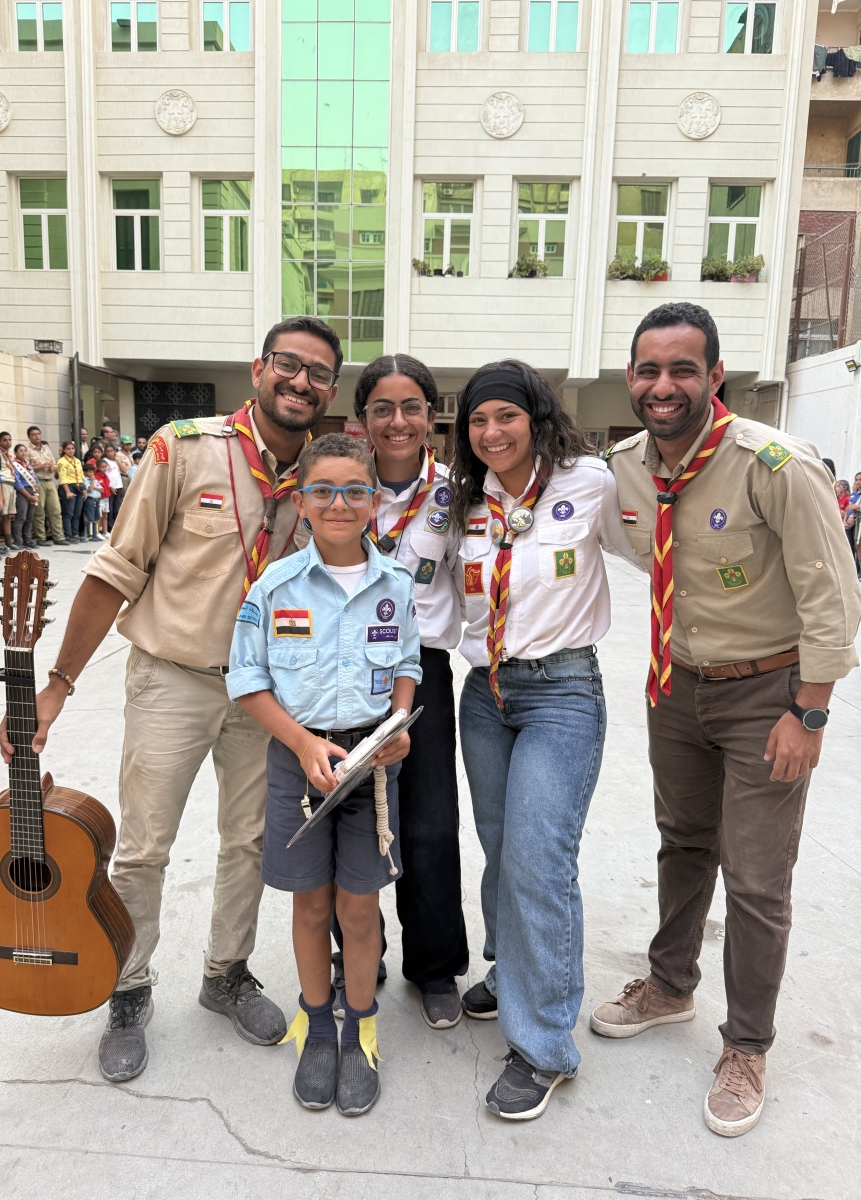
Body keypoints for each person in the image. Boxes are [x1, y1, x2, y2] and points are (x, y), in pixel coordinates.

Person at [0, 316, 342, 1084]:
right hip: (173, 679)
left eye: (318, 373)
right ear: (258, 369)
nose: (300, 382)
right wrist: (57, 684)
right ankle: (127, 988)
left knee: (249, 842)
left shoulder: (324, 477)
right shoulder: (183, 449)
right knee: (144, 848)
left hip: (265, 695)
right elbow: (116, 569)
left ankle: (226, 973)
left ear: (329, 390)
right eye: (288, 364)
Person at [592, 302, 861, 1138]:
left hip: (766, 693)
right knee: (683, 843)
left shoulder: (773, 463)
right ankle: (671, 985)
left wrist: (809, 711)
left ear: (714, 376)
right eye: (648, 370)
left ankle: (747, 1045)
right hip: (675, 685)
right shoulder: (624, 469)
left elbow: (832, 596)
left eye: (682, 369)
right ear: (630, 378)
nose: (663, 385)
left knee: (755, 876)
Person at [449, 360, 639, 1121]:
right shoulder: (467, 502)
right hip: (484, 693)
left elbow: (652, 547)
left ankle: (544, 1045)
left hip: (562, 692)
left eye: (506, 416)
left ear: (536, 418)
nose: (492, 432)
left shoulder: (588, 483)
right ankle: (512, 974)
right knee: (502, 850)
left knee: (539, 859)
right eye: (477, 420)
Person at [228, 433, 420, 1115]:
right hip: (297, 761)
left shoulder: (396, 584)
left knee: (359, 906)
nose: (340, 503)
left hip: (371, 766)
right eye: (323, 491)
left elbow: (407, 664)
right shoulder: (275, 585)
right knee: (310, 903)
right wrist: (303, 743)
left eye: (355, 490)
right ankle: (315, 1024)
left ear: (375, 500)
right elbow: (247, 678)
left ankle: (360, 1028)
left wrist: (397, 726)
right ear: (302, 502)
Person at [343, 353, 468, 1029]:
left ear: (430, 415)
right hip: (340, 672)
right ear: (362, 418)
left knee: (428, 822)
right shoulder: (339, 483)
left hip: (423, 673)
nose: (398, 421)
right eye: (382, 408)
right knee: (348, 815)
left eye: (411, 407)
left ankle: (435, 963)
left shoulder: (457, 491)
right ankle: (357, 952)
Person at [27, 425, 64, 545]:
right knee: (39, 511)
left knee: (55, 509)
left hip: (49, 480)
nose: (36, 436)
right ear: (29, 437)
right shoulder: (28, 450)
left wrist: (53, 468)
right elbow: (26, 468)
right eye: (33, 434)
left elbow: (54, 463)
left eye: (38, 434)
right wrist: (41, 466)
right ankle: (40, 537)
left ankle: (58, 536)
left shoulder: (46, 449)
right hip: (37, 482)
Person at [11, 443, 40, 549]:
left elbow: (35, 479)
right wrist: (29, 496)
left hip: (32, 491)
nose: (23, 453)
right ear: (15, 453)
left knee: (29, 517)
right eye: (20, 451)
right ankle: (18, 541)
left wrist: (36, 493)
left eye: (25, 451)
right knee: (21, 517)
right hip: (22, 492)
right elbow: (17, 483)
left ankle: (28, 539)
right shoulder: (15, 465)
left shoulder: (27, 464)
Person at [57, 441, 86, 544]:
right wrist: (67, 491)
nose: (71, 451)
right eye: (68, 449)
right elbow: (62, 478)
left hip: (79, 487)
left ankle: (75, 533)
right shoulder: (61, 462)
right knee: (68, 512)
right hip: (68, 487)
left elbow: (82, 476)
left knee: (77, 513)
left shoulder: (77, 461)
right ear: (64, 450)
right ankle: (68, 535)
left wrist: (84, 489)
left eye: (72, 449)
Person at [0, 431, 17, 551]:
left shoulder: (9, 454)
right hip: (3, 483)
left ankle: (9, 542)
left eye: (9, 440)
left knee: (8, 515)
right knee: (1, 515)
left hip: (11, 484)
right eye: (5, 440)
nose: (8, 442)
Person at [102, 446, 124, 530]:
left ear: (115, 451)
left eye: (111, 451)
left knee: (117, 507)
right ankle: (110, 526)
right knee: (110, 508)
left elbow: (124, 470)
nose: (110, 453)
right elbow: (104, 475)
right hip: (110, 487)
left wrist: (117, 460)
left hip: (119, 485)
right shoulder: (104, 461)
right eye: (108, 451)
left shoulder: (116, 461)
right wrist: (110, 486)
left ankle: (117, 525)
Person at [83, 461, 103, 542]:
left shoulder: (94, 480)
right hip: (90, 499)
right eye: (90, 472)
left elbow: (102, 490)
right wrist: (93, 482)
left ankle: (95, 534)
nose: (92, 473)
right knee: (90, 518)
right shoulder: (86, 480)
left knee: (96, 517)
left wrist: (94, 486)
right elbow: (90, 489)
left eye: (92, 472)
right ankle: (90, 535)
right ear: (85, 473)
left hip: (97, 499)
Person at [93, 457, 112, 537]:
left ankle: (105, 532)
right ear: (98, 467)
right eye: (102, 467)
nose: (104, 468)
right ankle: (97, 532)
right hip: (100, 499)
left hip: (106, 498)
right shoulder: (96, 477)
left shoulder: (106, 476)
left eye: (105, 467)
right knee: (99, 516)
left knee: (105, 515)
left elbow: (108, 486)